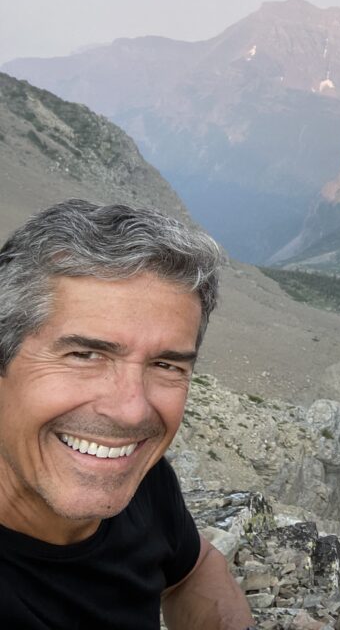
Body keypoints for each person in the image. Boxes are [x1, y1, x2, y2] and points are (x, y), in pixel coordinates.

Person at [0, 200, 254, 629]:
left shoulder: (137, 476)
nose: (132, 411)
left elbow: (192, 566)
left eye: (167, 365)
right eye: (84, 354)